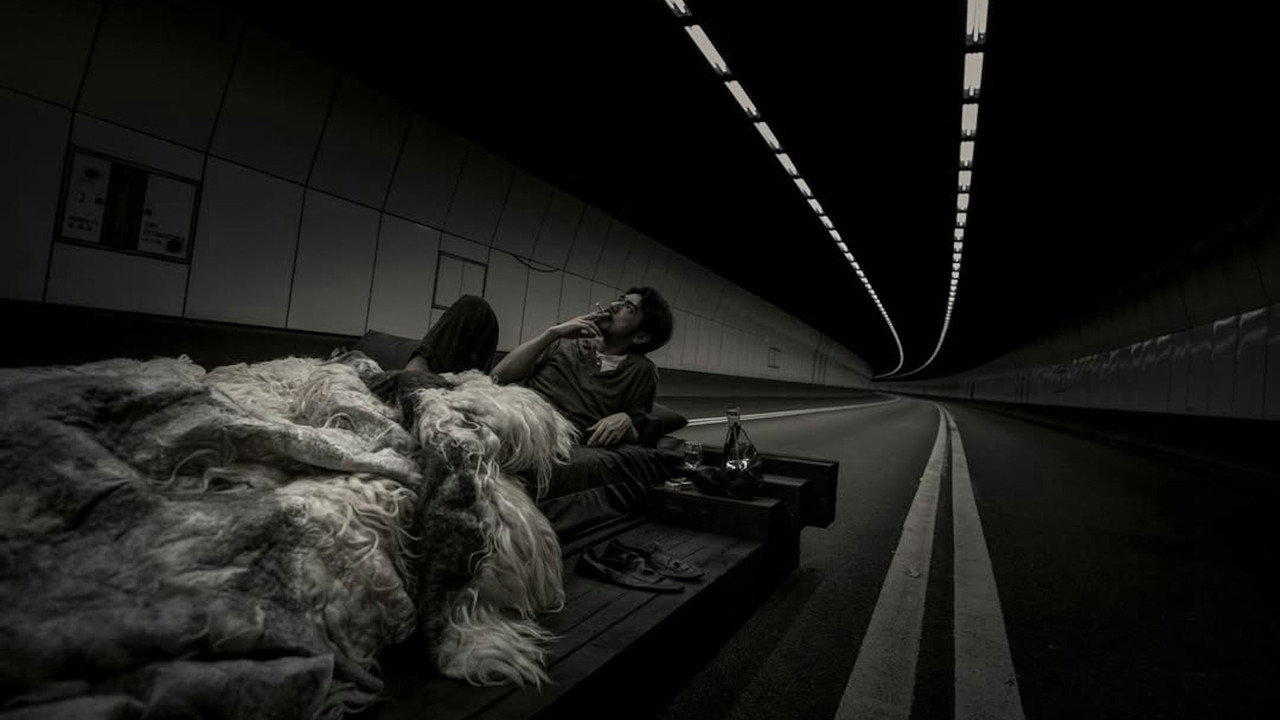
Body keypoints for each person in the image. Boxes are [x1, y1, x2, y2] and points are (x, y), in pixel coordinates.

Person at [391, 287, 673, 447]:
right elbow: (499, 376)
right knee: (473, 308)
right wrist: (553, 333)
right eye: (620, 299)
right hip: (506, 400)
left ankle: (410, 393)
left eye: (628, 308)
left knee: (451, 406)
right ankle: (410, 383)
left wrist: (625, 420)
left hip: (542, 425)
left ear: (641, 336)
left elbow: (639, 430)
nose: (614, 305)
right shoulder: (567, 341)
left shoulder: (640, 370)